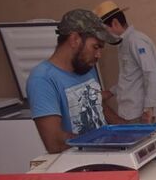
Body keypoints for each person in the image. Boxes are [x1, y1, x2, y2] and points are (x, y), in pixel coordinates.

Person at [26, 9, 124, 154]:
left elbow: (98, 105)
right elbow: (55, 143)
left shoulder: (85, 67)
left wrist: (127, 129)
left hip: (104, 154)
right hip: (77, 167)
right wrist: (102, 141)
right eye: (95, 47)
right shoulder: (42, 79)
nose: (98, 55)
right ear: (74, 40)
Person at [93, 0, 156, 123]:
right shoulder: (125, 43)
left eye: (105, 30)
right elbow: (130, 77)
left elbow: (152, 74)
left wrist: (148, 109)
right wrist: (110, 92)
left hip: (138, 112)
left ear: (115, 23)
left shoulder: (136, 41)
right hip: (129, 111)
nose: (106, 35)